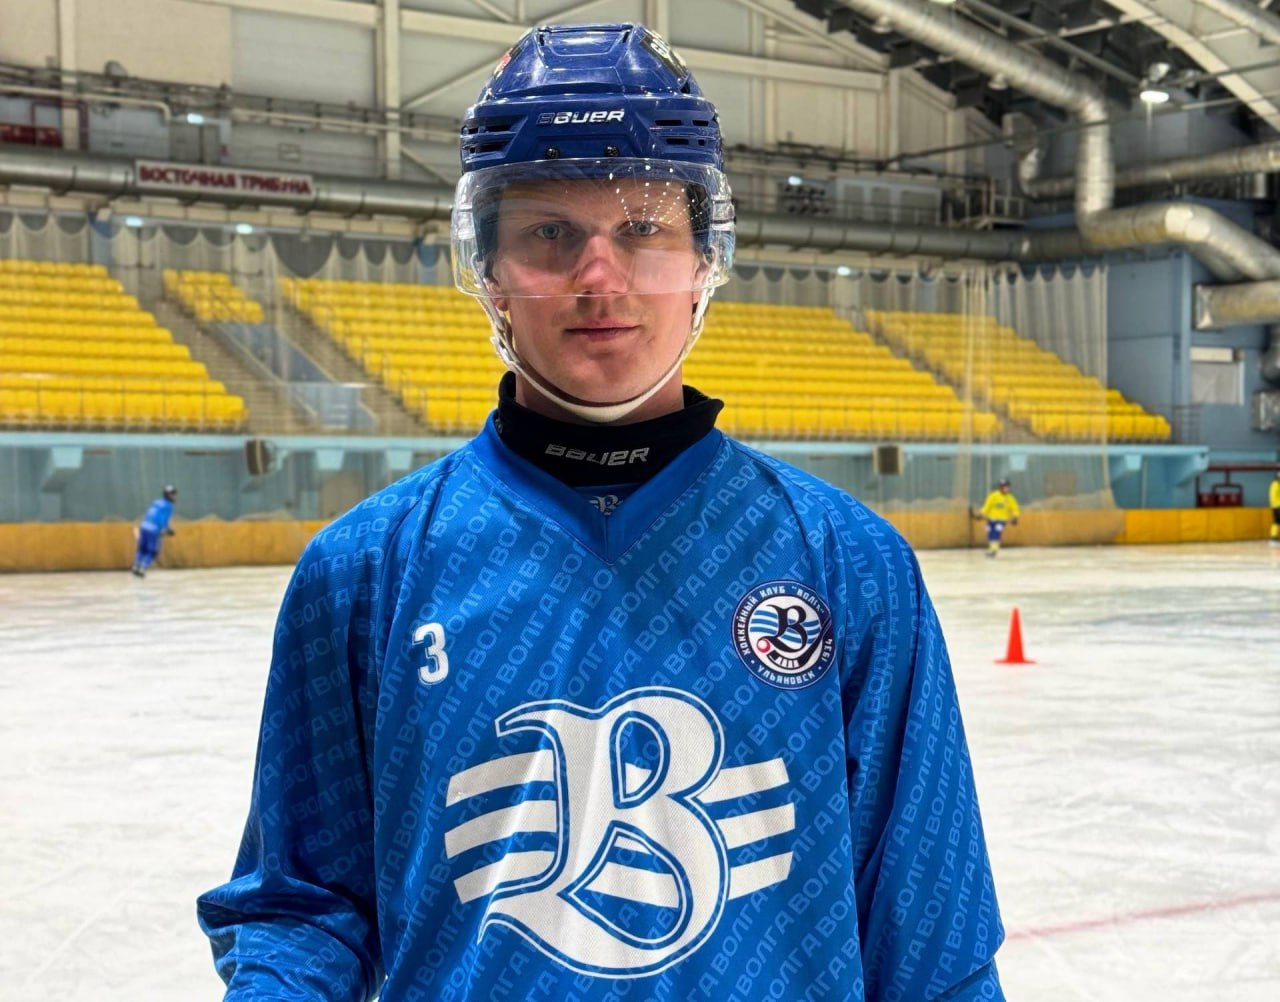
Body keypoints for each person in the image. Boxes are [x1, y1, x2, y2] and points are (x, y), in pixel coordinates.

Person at [197, 23, 1004, 1002]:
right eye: (548, 233)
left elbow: (930, 937)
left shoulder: (847, 562)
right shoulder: (364, 570)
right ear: (487, 266)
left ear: (705, 255)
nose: (599, 277)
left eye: (642, 230)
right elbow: (304, 905)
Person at [131, 484, 177, 577]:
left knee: (142, 549)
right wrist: (168, 530)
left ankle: (135, 566)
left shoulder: (156, 502)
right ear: (168, 495)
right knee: (152, 551)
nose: (175, 496)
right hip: (153, 529)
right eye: (173, 494)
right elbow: (163, 520)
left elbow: (150, 514)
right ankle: (143, 568)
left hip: (144, 526)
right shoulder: (168, 506)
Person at [977, 478, 1020, 558]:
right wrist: (981, 514)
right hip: (991, 519)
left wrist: (1015, 517)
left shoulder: (1010, 498)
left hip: (1001, 520)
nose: (1007, 489)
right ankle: (992, 549)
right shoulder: (993, 496)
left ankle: (994, 551)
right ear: (1000, 487)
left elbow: (1015, 508)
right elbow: (987, 506)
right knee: (990, 533)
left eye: (1008, 487)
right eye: (1005, 487)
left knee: (996, 533)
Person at [1270, 469, 1280, 547]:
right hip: (1277, 506)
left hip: (1275, 506)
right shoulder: (1276, 484)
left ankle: (1274, 539)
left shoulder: (1275, 484)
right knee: (1277, 522)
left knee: (1276, 522)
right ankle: (1273, 539)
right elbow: (1274, 496)